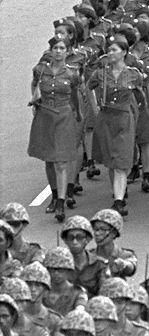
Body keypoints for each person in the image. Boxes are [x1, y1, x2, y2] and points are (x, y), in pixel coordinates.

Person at [86, 34, 144, 216]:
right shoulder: (100, 73)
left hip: (124, 119)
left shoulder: (134, 74)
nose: (110, 53)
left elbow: (141, 95)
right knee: (111, 161)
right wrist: (95, 109)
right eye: (108, 50)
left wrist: (136, 113)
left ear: (124, 52)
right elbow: (87, 88)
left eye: (114, 50)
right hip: (106, 118)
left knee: (121, 162)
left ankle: (118, 202)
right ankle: (118, 193)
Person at [27, 36, 81, 222]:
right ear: (50, 50)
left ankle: (60, 202)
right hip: (45, 116)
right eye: (55, 48)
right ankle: (55, 192)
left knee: (60, 161)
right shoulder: (40, 70)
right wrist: (35, 98)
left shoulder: (73, 73)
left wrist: (78, 114)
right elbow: (34, 84)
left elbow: (75, 95)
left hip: (64, 116)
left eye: (62, 48)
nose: (58, 51)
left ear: (68, 51)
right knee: (49, 160)